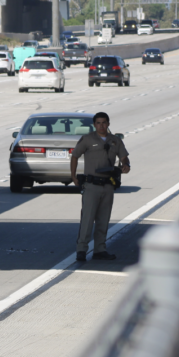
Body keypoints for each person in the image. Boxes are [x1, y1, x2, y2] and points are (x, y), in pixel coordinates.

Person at [70, 111, 130, 261]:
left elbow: (124, 156)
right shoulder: (87, 139)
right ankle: (81, 250)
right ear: (94, 124)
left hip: (108, 185)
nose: (101, 125)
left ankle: (100, 250)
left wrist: (125, 165)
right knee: (88, 219)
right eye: (98, 123)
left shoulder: (115, 140)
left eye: (104, 122)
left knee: (104, 219)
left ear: (108, 124)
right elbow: (75, 156)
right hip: (91, 185)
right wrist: (73, 176)